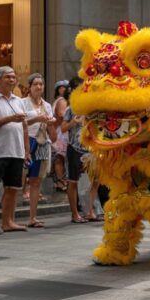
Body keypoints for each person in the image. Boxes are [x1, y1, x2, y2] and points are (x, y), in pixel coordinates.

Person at [0, 66, 30, 232]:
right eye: (8, 77)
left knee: (13, 187)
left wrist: (27, 151)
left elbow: (25, 128)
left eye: (14, 77)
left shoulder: (18, 100)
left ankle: (8, 222)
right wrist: (11, 118)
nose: (12, 80)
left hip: (16, 151)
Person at [21, 73, 57, 228]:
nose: (38, 87)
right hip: (25, 142)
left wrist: (51, 123)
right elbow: (19, 123)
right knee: (18, 180)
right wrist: (36, 119)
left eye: (41, 84)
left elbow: (53, 136)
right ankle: (7, 217)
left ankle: (32, 218)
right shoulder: (22, 103)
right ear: (29, 87)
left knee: (36, 181)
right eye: (35, 84)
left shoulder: (47, 105)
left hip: (42, 143)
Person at [60, 77, 97, 223]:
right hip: (75, 147)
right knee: (73, 181)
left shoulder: (93, 107)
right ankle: (75, 214)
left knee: (95, 180)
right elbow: (63, 128)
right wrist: (73, 122)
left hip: (92, 147)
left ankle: (90, 211)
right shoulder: (71, 108)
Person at [51, 80, 69, 191]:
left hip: (58, 131)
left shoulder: (57, 100)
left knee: (59, 158)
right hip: (61, 132)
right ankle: (61, 182)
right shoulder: (62, 101)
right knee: (60, 157)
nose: (63, 89)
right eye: (61, 87)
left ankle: (59, 181)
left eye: (65, 87)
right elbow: (62, 115)